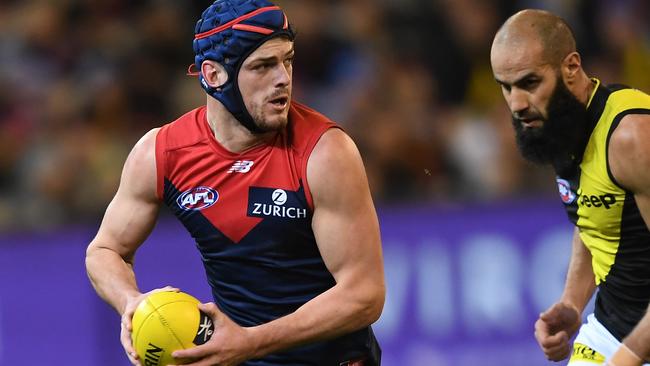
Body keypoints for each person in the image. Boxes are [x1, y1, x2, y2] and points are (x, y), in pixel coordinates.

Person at [85, 1, 385, 365]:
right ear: (213, 76)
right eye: (263, 66)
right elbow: (104, 251)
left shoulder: (325, 153)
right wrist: (130, 302)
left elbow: (364, 295)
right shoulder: (161, 152)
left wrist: (250, 342)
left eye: (287, 60)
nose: (283, 79)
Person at [490, 9, 650, 366]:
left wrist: (628, 357)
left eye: (530, 83)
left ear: (571, 67)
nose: (516, 104)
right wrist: (572, 304)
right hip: (613, 327)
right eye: (506, 86)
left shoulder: (632, 137)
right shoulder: (561, 124)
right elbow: (594, 218)